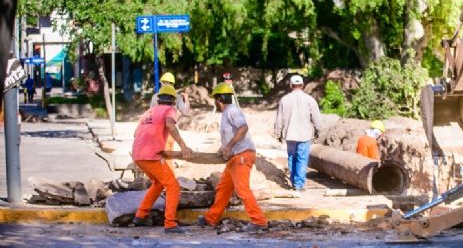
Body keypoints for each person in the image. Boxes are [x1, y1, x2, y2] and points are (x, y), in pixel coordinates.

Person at [197, 83, 269, 232]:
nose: (215, 102)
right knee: (223, 188)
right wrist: (224, 147)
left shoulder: (232, 111)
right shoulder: (227, 113)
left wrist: (229, 146)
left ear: (219, 99)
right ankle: (211, 218)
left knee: (242, 190)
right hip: (234, 158)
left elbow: (243, 128)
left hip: (241, 156)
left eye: (215, 99)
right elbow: (233, 134)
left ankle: (259, 221)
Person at [131, 85, 193, 233]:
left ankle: (140, 216)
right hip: (150, 156)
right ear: (173, 101)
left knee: (159, 184)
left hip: (138, 154)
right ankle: (170, 223)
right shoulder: (170, 110)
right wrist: (184, 147)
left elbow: (136, 133)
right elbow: (170, 125)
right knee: (173, 186)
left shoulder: (149, 112)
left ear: (158, 99)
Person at [274, 75, 322, 191]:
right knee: (302, 158)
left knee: (292, 157)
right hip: (304, 135)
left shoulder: (284, 100)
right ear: (302, 85)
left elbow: (279, 119)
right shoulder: (310, 100)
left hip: (290, 135)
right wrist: (317, 130)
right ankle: (299, 184)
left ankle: (293, 181)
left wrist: (278, 133)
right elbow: (316, 118)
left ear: (291, 85)